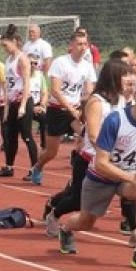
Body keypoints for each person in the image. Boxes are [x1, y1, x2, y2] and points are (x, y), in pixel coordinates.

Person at [57, 76, 136, 271]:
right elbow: (101, 163)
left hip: (129, 178)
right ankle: (66, 230)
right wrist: (131, 176)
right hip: (102, 177)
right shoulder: (115, 120)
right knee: (86, 222)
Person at [44, 57, 132, 237]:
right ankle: (54, 213)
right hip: (89, 159)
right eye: (125, 75)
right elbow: (93, 134)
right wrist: (105, 154)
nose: (129, 79)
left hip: (113, 160)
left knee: (132, 193)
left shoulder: (122, 100)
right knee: (77, 201)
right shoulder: (96, 101)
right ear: (115, 77)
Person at [33, 30, 96, 183]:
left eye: (85, 44)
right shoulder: (61, 62)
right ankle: (38, 167)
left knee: (88, 137)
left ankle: (80, 171)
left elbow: (89, 90)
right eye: (79, 44)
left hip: (76, 111)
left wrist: (84, 105)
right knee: (51, 152)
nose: (82, 47)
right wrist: (70, 108)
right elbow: (55, 89)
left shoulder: (87, 66)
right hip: (57, 110)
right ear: (71, 46)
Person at [0, 28, 40, 182]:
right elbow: (8, 86)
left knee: (27, 136)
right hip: (12, 102)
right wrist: (7, 108)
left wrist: (22, 105)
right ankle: (9, 166)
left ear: (14, 42)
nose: (4, 49)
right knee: (10, 135)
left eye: (5, 45)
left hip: (24, 101)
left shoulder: (22, 59)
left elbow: (27, 82)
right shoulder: (8, 60)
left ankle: (35, 170)